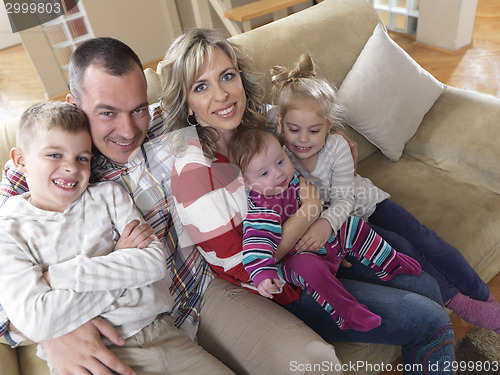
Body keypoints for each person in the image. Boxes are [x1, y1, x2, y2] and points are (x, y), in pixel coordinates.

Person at [0, 37, 342, 375]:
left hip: (201, 291)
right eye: (107, 113)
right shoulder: (40, 172)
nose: (128, 129)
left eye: (138, 109)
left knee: (317, 365)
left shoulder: (169, 123)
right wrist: (55, 333)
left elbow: (246, 115)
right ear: (75, 105)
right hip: (122, 326)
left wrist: (328, 143)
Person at [162, 28, 455, 374]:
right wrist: (311, 214)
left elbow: (306, 119)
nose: (222, 94)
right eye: (201, 86)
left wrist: (334, 141)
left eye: (227, 76)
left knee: (427, 285)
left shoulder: (254, 122)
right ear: (187, 104)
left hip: (320, 246)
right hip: (283, 287)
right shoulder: (194, 172)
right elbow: (245, 267)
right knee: (432, 320)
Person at [271, 53, 500, 335]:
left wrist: (325, 223)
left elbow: (346, 199)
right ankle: (459, 301)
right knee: (402, 246)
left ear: (329, 126)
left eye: (314, 130)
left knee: (425, 237)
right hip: (352, 230)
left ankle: (484, 297)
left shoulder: (336, 147)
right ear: (281, 124)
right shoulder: (279, 154)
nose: (303, 139)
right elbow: (259, 119)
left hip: (364, 203)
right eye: (294, 130)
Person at [0, 101, 233, 375]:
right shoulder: (9, 230)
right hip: (94, 354)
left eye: (82, 158)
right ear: (20, 160)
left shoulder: (109, 195)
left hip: (162, 333)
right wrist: (120, 268)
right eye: (54, 155)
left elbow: (153, 265)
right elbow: (37, 320)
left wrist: (62, 277)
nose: (71, 168)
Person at [228, 127, 421, 331]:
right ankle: (347, 313)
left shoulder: (294, 181)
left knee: (353, 225)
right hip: (296, 257)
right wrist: (262, 275)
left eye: (280, 161)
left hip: (322, 237)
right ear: (247, 184)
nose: (278, 174)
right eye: (264, 173)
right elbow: (256, 244)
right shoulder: (262, 208)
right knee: (313, 270)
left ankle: (389, 263)